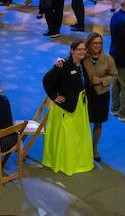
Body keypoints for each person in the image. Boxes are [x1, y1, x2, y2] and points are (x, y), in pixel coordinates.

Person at [41, 40, 95, 175]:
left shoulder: (83, 64)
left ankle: (78, 162)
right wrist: (54, 96)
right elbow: (46, 80)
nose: (82, 52)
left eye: (84, 49)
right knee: (68, 137)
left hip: (80, 107)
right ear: (72, 51)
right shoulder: (63, 65)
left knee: (78, 136)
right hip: (66, 108)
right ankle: (65, 164)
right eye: (79, 49)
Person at [82, 32, 117, 161]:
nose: (98, 46)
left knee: (98, 122)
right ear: (88, 44)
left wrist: (101, 80)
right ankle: (82, 147)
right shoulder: (83, 57)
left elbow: (114, 76)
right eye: (95, 43)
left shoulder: (108, 59)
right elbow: (71, 60)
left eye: (100, 43)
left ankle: (94, 148)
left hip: (101, 94)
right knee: (83, 121)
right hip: (86, 94)